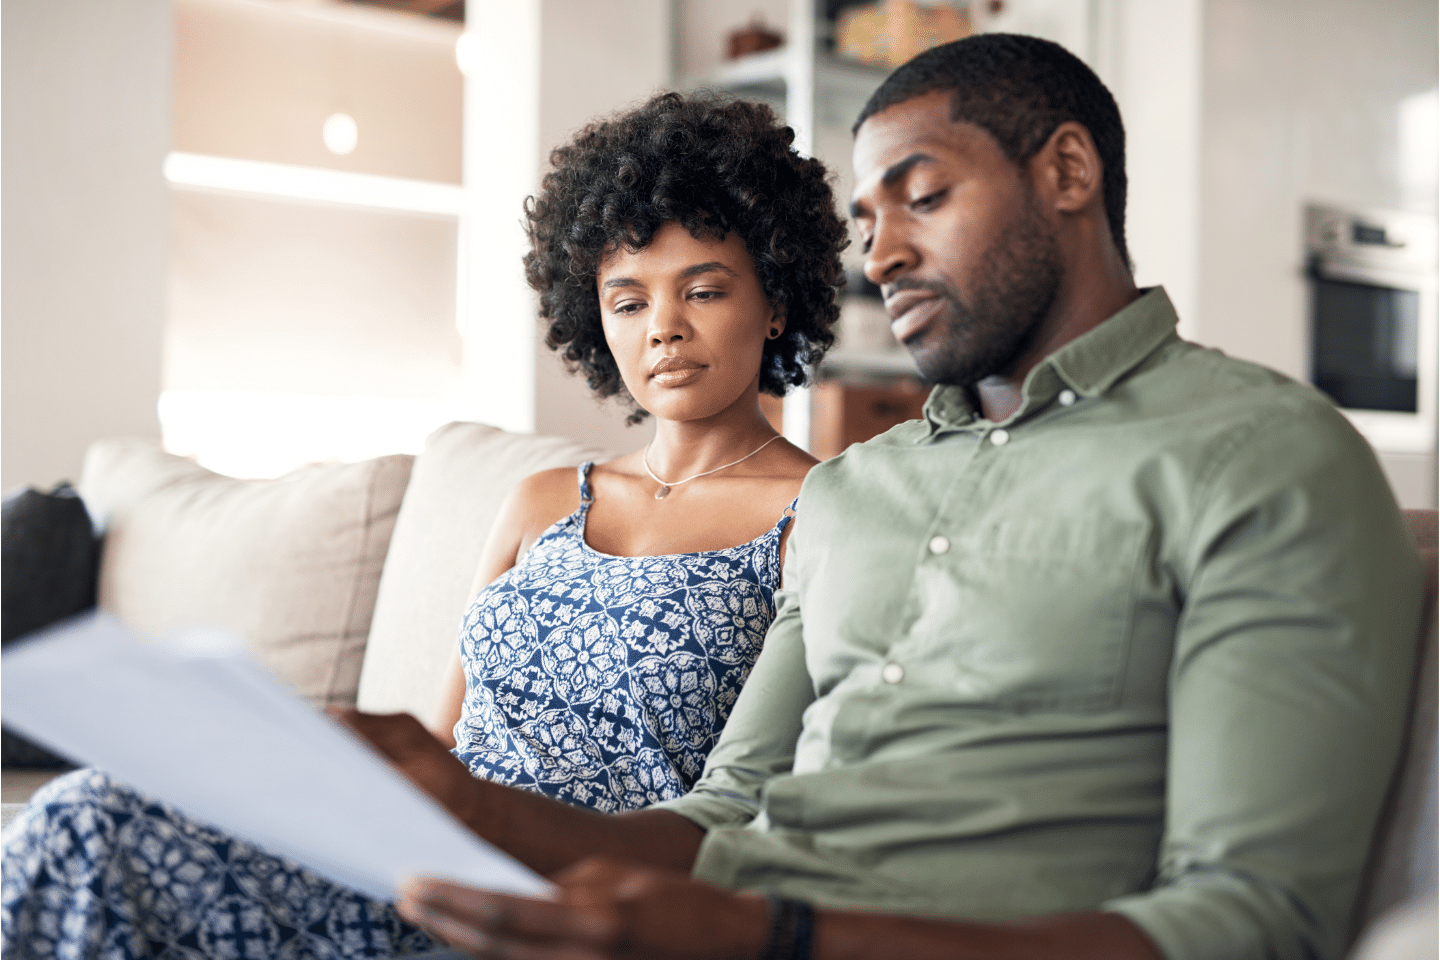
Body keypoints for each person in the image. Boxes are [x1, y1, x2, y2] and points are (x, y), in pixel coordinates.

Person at [336, 34, 1424, 960]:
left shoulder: (1259, 457)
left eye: (925, 197)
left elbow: (1252, 920)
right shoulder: (859, 490)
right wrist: (466, 802)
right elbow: (724, 813)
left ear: (1068, 172)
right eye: (868, 221)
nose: (885, 254)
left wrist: (770, 934)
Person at [0, 91, 848, 958]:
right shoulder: (544, 499)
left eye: (703, 291)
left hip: (561, 901)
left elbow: (748, 806)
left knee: (88, 830)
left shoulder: (818, 515)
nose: (664, 328)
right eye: (628, 303)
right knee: (86, 809)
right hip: (410, 863)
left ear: (776, 301)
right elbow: (445, 742)